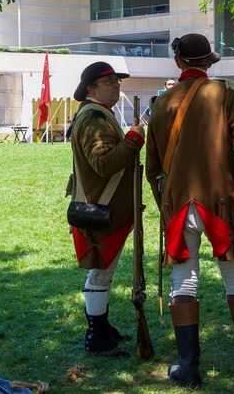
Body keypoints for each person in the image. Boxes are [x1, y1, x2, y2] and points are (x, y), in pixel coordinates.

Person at [145, 33, 234, 389]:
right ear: (209, 63)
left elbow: (151, 168)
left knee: (183, 278)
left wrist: (165, 206)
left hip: (178, 203)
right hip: (222, 201)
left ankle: (188, 368)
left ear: (178, 63)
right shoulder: (226, 94)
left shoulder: (161, 103)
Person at [68, 62, 146, 357]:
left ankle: (102, 327)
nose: (116, 86)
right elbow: (104, 163)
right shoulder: (93, 117)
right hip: (102, 208)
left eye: (117, 81)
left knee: (105, 272)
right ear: (91, 88)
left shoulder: (99, 114)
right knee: (101, 273)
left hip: (107, 207)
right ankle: (97, 336)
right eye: (109, 81)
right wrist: (135, 139)